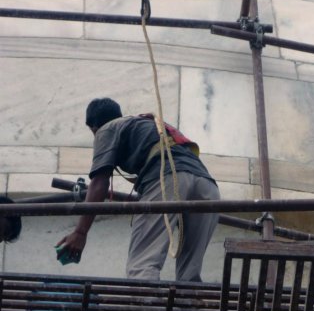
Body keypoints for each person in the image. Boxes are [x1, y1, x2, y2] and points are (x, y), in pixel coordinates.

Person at [56, 97, 220, 281]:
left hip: (169, 178)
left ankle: (144, 306)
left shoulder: (107, 129)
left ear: (93, 127)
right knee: (190, 273)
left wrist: (80, 232)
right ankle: (189, 306)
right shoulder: (148, 123)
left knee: (141, 265)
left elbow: (99, 183)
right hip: (207, 186)